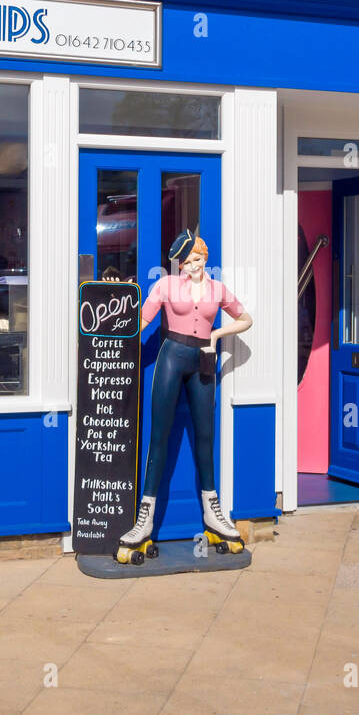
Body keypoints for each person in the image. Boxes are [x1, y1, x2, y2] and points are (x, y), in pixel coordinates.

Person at [116, 229, 253, 564]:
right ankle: (144, 519)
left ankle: (212, 513)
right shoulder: (165, 286)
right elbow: (142, 320)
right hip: (171, 357)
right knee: (159, 437)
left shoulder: (218, 289)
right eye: (186, 261)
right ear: (179, 263)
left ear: (206, 257)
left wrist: (218, 333)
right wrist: (114, 335)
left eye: (197, 259)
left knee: (205, 436)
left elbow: (246, 318)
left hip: (204, 359)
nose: (192, 265)